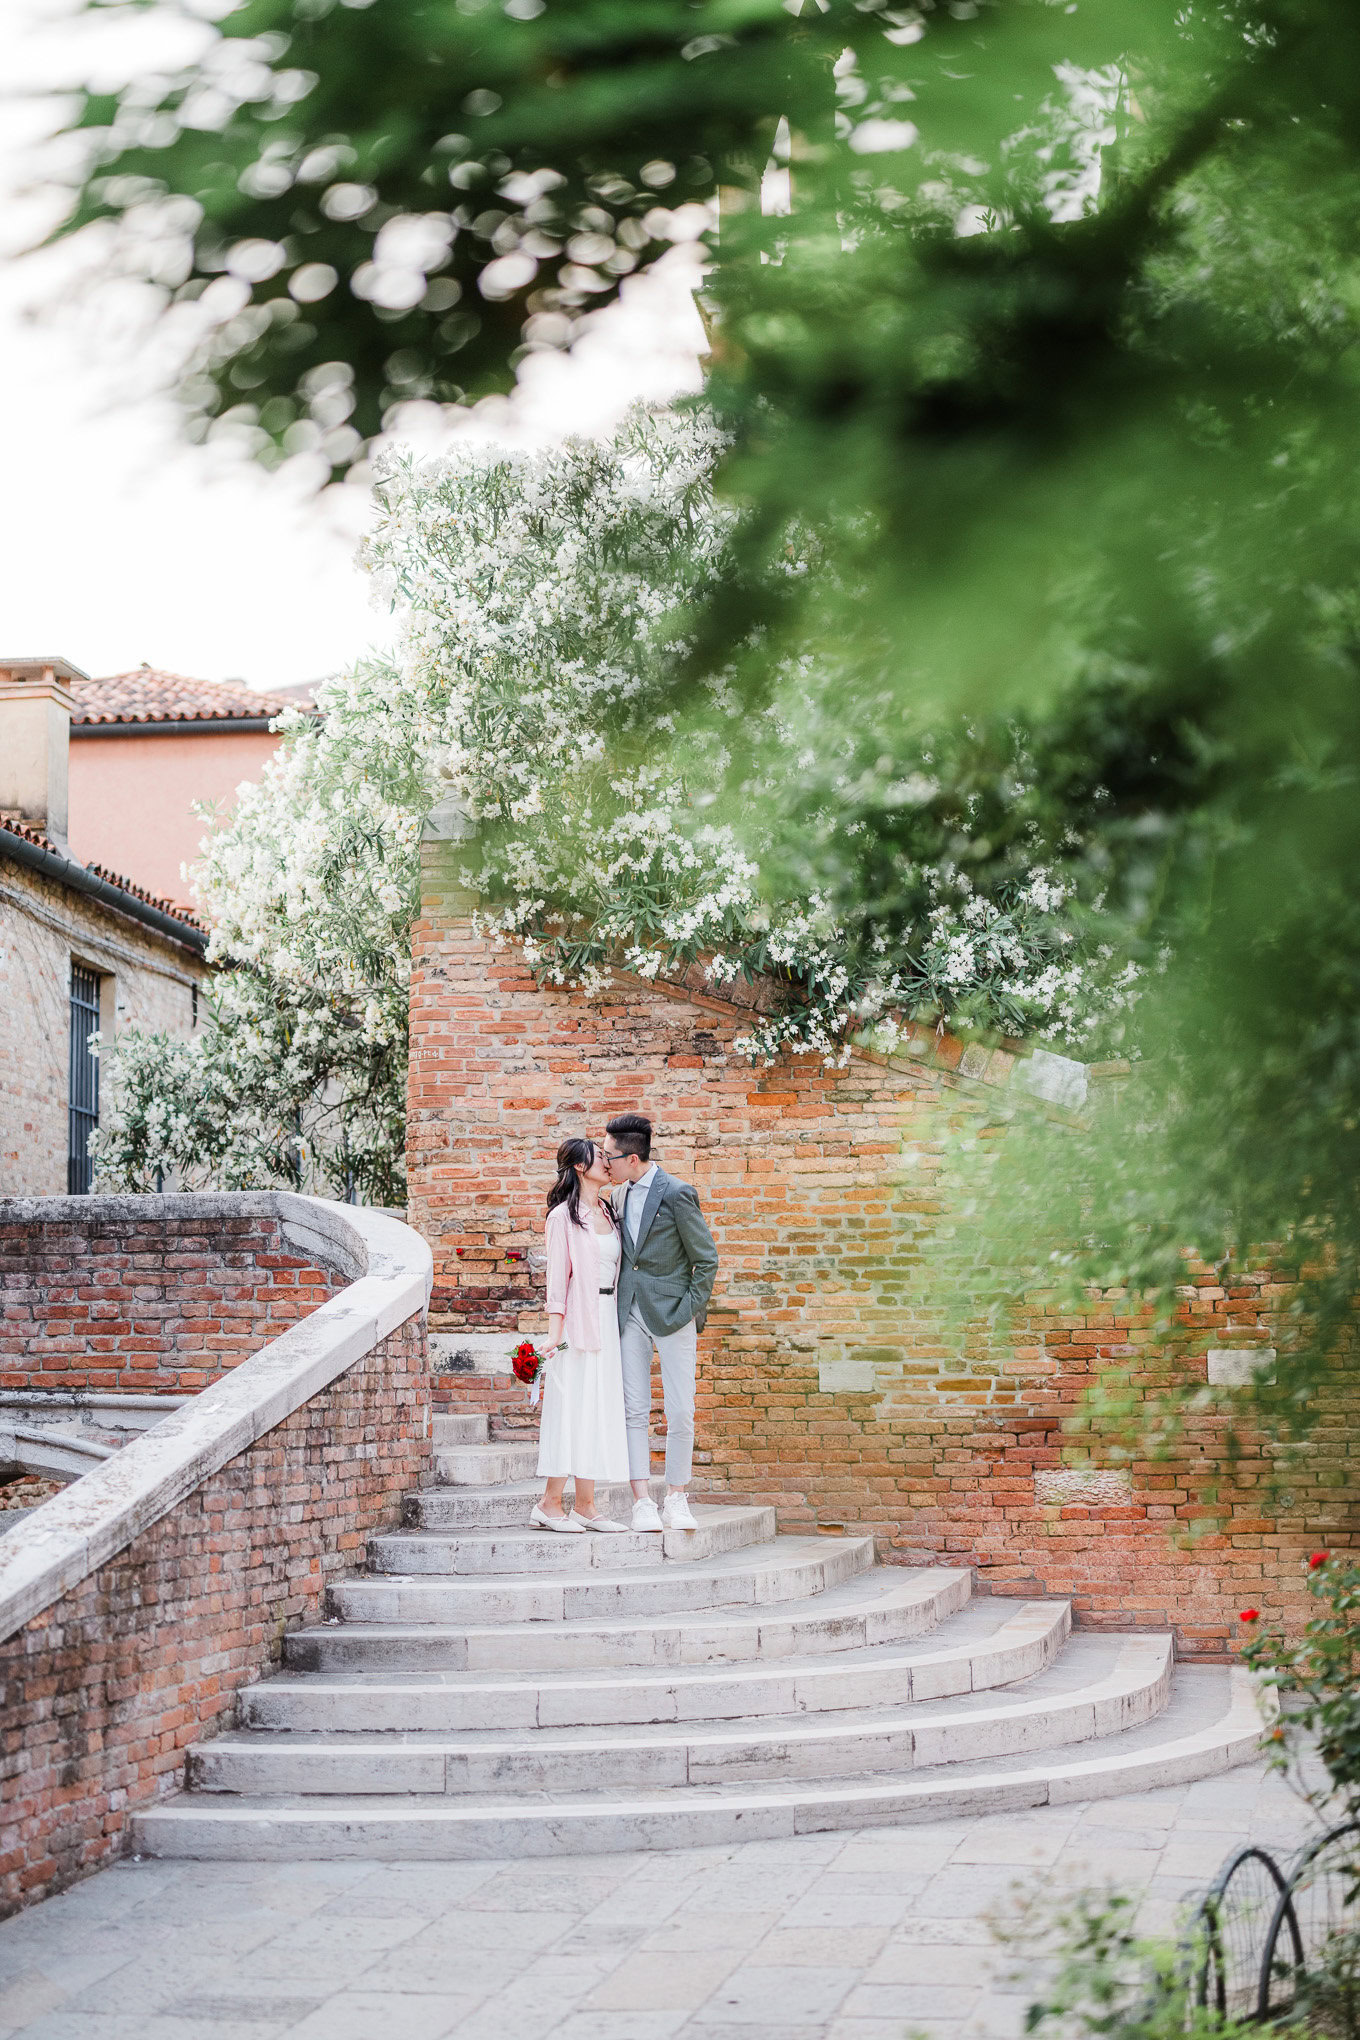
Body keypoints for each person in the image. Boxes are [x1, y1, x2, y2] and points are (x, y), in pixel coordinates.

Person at [601, 1113, 719, 1533]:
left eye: (609, 1156)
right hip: (628, 1312)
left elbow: (706, 1260)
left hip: (673, 1316)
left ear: (632, 1158)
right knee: (633, 1410)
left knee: (681, 1409)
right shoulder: (616, 1197)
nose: (604, 1162)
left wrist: (686, 1309)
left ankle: (677, 1497)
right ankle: (641, 1502)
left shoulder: (678, 1193)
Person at [533, 1136, 631, 1533]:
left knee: (595, 1409)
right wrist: (554, 1335)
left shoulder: (608, 1209)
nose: (608, 1162)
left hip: (608, 1319)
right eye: (599, 1156)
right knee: (571, 1410)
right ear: (578, 1166)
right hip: (577, 1321)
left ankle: (586, 1505)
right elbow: (557, 1281)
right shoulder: (562, 1217)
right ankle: (548, 1503)